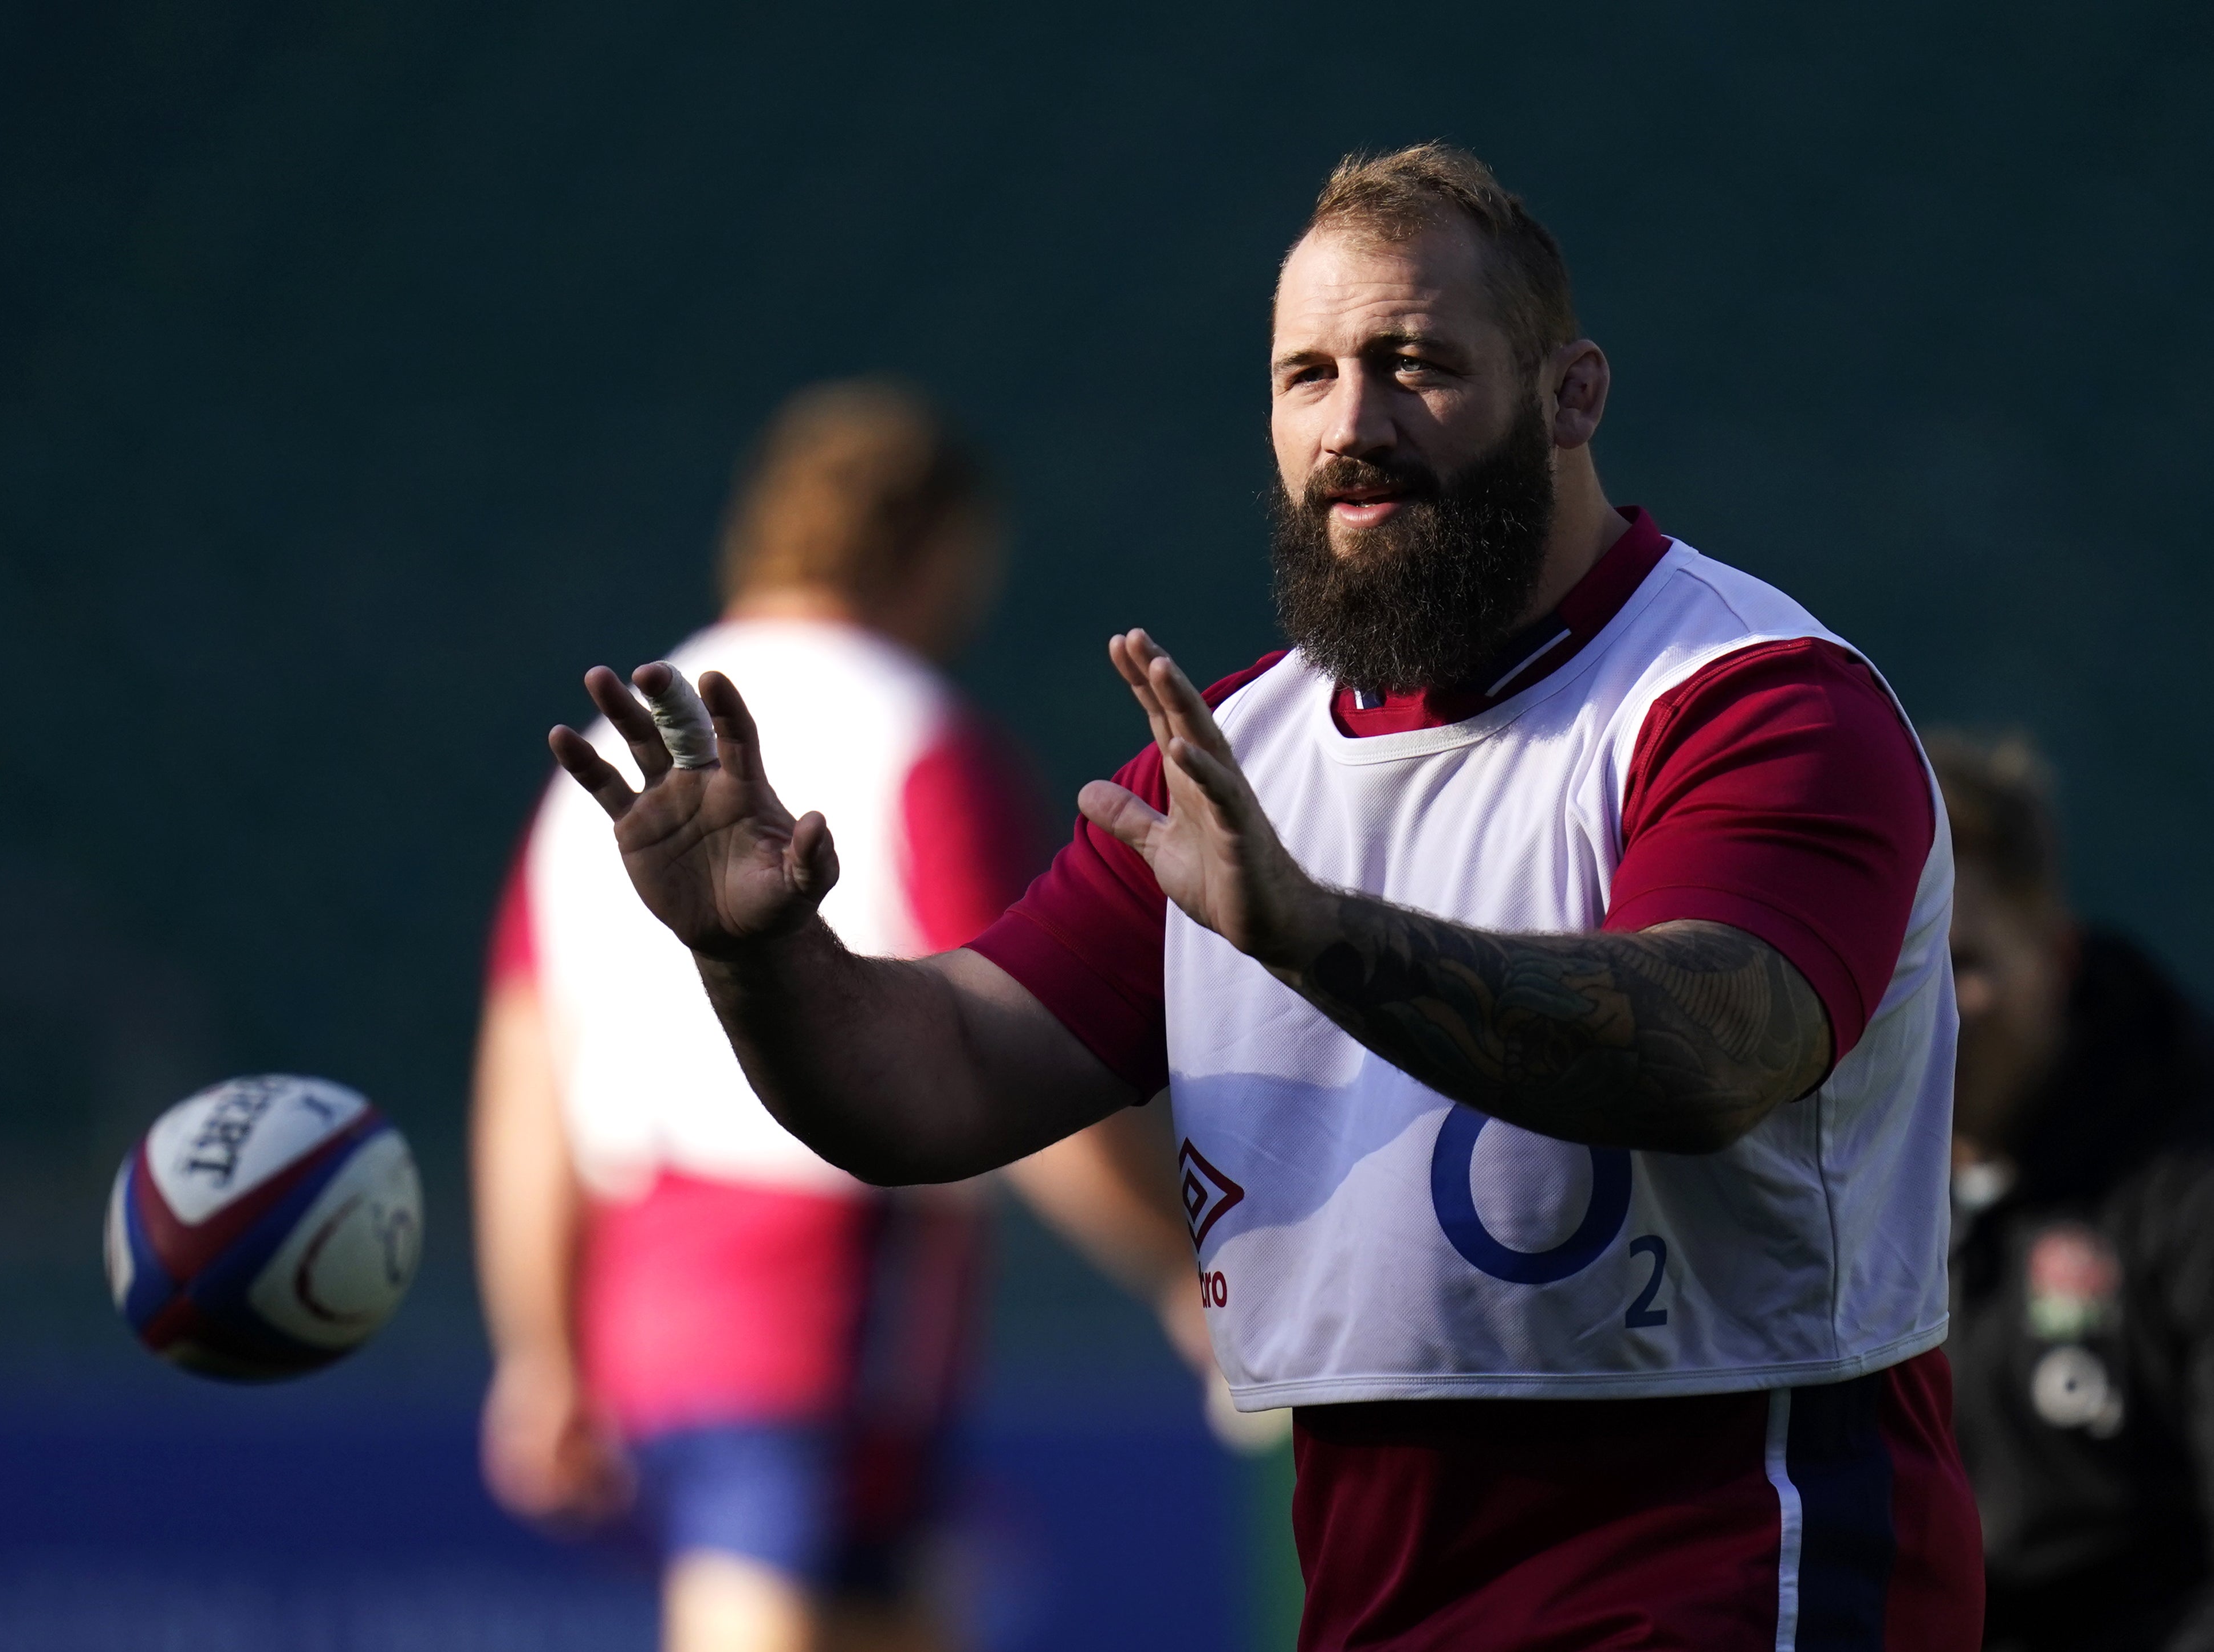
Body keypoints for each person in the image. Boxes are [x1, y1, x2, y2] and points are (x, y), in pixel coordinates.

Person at [545, 145, 1983, 1647]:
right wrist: (758, 952)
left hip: (1730, 1583)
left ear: (1571, 396)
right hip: (1377, 1605)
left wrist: (1314, 933)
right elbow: (934, 1078)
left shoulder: (1753, 703)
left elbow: (1706, 1049)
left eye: (1415, 363)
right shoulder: (1236, 755)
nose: (1351, 423)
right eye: (1307, 375)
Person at [473, 379, 1208, 1652]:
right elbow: (1018, 1045)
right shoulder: (917, 735)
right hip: (825, 1288)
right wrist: (1184, 1267)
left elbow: (528, 1069)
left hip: (644, 1295)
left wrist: (538, 1345)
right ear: (942, 552)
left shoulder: (619, 754)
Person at [1932, 731, 2214, 1652]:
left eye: (1967, 963)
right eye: (1904, 972)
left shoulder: (2185, 1182)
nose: (1936, 1011)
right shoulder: (1818, 1175)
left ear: (2055, 955)